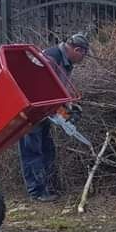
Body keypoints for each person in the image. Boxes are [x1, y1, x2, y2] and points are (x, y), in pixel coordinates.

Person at [18, 32, 90, 200]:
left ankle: (49, 187)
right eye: (83, 55)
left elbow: (58, 88)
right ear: (77, 50)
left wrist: (68, 107)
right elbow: (37, 88)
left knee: (47, 149)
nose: (82, 59)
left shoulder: (65, 61)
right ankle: (36, 192)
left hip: (44, 110)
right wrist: (60, 109)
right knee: (32, 150)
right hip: (31, 110)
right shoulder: (50, 59)